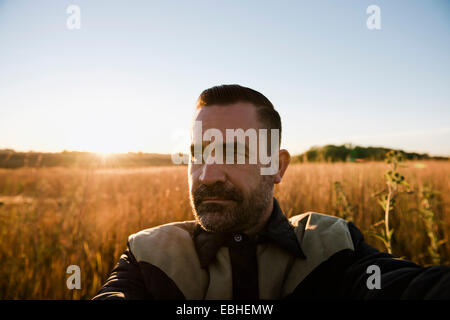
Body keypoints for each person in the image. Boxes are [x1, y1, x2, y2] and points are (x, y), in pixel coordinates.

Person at [93, 84, 450, 300]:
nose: (208, 173)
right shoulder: (150, 256)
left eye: (234, 152)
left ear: (277, 166)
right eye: (199, 154)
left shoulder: (332, 249)